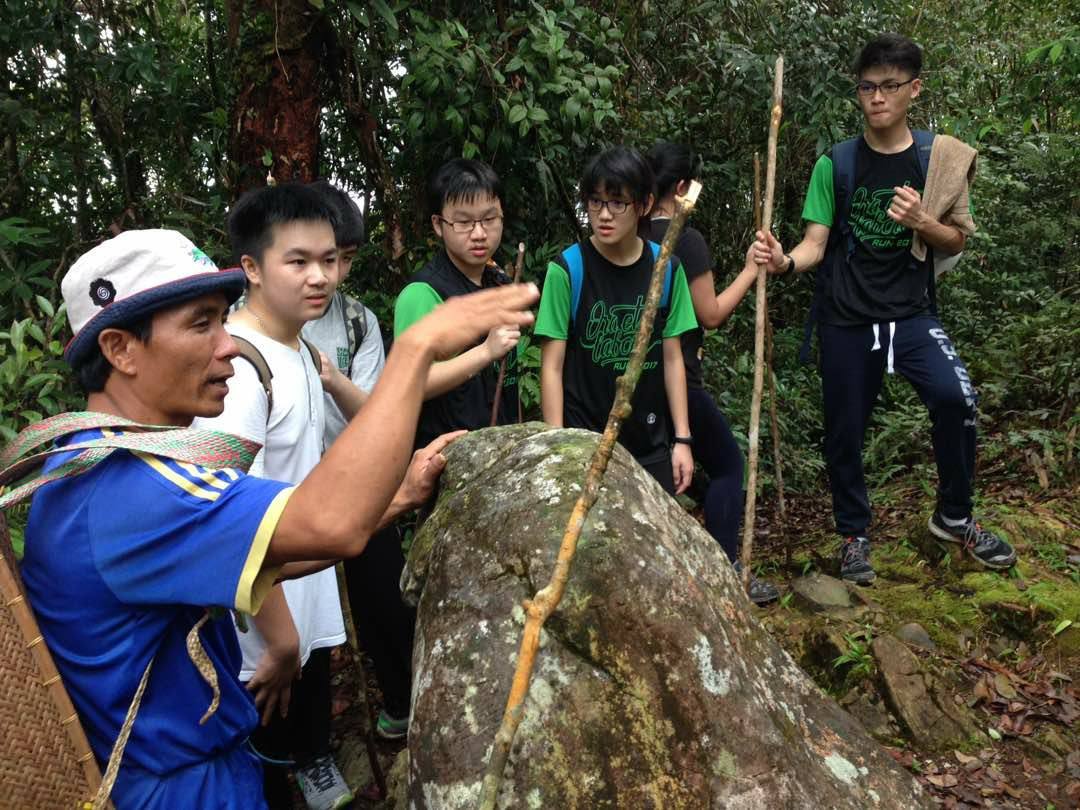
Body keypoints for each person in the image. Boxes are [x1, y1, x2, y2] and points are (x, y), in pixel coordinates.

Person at [16, 227, 537, 809]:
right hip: (180, 790)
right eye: (201, 324)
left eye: (223, 319)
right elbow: (329, 523)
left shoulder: (90, 461)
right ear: (120, 350)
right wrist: (415, 353)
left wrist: (398, 498)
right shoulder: (137, 490)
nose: (230, 345)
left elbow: (271, 548)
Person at [751, 33, 1016, 584]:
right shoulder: (838, 163)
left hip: (912, 315)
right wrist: (784, 263)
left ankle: (954, 517)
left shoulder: (936, 158)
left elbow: (957, 241)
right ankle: (853, 536)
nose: (877, 98)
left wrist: (923, 222)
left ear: (913, 90)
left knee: (957, 398)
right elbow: (816, 243)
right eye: (867, 87)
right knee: (844, 432)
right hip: (847, 318)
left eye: (889, 86)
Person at [191, 183, 350, 809]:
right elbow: (227, 517)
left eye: (330, 259)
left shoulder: (299, 350)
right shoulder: (239, 368)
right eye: (299, 261)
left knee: (302, 739)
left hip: (300, 597)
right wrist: (280, 639)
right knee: (263, 770)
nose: (320, 276)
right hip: (261, 631)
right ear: (251, 268)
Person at [302, 180, 416, 741]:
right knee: (306, 618)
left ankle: (402, 705)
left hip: (358, 481)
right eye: (324, 257)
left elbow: (373, 412)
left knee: (385, 601)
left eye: (344, 259)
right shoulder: (261, 319)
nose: (332, 275)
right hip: (294, 493)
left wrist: (330, 377)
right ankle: (311, 745)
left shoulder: (356, 320)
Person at [647, 142, 780, 605]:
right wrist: (750, 269)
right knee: (727, 465)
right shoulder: (686, 238)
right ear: (682, 188)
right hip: (678, 374)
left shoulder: (627, 233)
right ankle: (728, 569)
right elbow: (711, 314)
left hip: (638, 383)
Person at [535, 146, 697, 495]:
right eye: (595, 202)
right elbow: (551, 367)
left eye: (617, 202)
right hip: (584, 443)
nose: (604, 214)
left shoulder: (667, 269)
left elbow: (672, 358)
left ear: (644, 205)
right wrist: (557, 446)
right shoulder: (567, 270)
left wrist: (681, 439)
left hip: (650, 442)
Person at [393, 158, 521, 450]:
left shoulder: (499, 283)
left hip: (500, 455)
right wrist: (485, 351)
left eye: (489, 219)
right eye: (464, 222)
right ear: (439, 225)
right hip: (444, 463)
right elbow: (409, 385)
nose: (479, 233)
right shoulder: (422, 293)